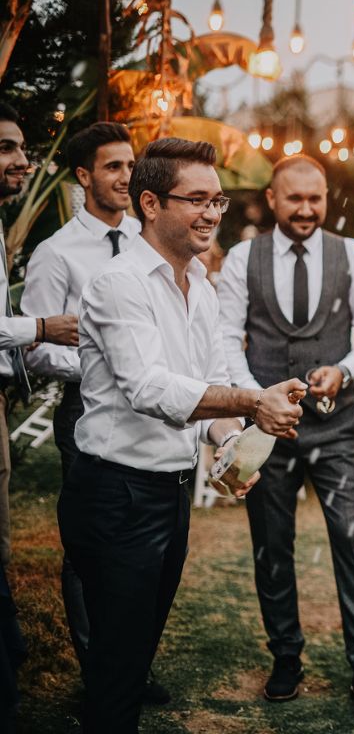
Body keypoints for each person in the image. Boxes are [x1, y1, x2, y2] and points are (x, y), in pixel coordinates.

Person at [56, 137, 304, 733]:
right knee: (115, 673)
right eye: (197, 200)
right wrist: (252, 400)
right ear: (149, 202)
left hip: (168, 496)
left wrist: (231, 444)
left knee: (136, 659)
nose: (214, 213)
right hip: (115, 496)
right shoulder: (119, 284)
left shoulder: (202, 284)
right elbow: (149, 388)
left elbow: (212, 380)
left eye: (218, 200)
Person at [216, 154, 354, 720]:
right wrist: (256, 400)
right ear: (272, 199)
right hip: (267, 433)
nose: (307, 209)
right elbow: (225, 338)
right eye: (294, 199)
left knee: (352, 540)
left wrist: (344, 370)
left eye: (315, 198)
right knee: (272, 547)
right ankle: (286, 657)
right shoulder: (244, 258)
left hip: (337, 426)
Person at [21, 121, 169, 701]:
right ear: (83, 176)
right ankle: (97, 669)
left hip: (154, 404)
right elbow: (34, 348)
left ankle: (131, 663)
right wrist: (108, 367)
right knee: (93, 543)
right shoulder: (55, 253)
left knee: (150, 545)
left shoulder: (146, 239)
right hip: (87, 408)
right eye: (113, 167)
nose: (127, 177)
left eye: (131, 166)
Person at [0, 103, 79, 566]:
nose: (22, 161)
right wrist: (41, 328)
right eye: (5, 148)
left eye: (22, 149)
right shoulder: (58, 251)